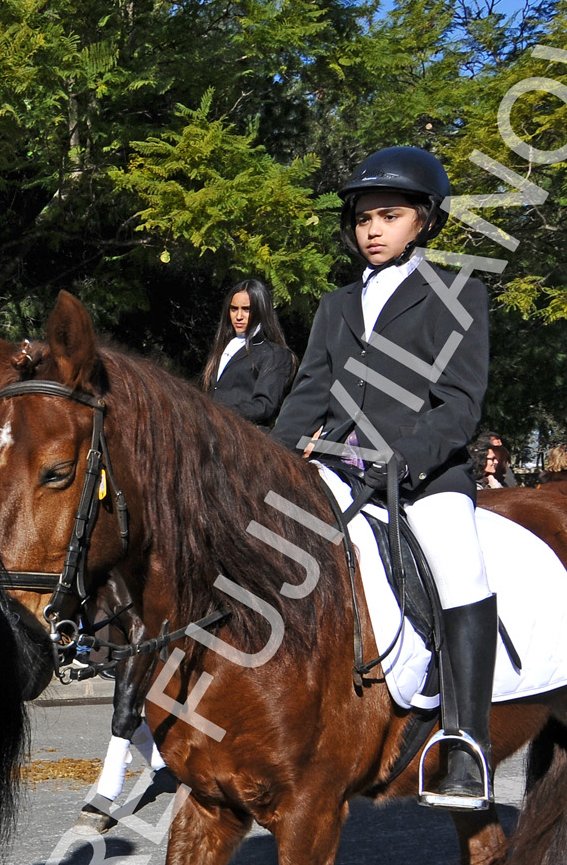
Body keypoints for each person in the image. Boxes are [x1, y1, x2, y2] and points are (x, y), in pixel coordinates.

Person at [272, 145, 495, 810]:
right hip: (340, 466)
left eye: (388, 216)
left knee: (460, 570)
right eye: (364, 218)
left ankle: (465, 744)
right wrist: (280, 458)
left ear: (423, 220)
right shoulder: (336, 306)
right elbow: (307, 396)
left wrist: (405, 453)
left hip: (426, 475)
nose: (371, 229)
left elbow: (459, 403)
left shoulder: (458, 295)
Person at [201, 278, 296, 425]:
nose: (239, 316)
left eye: (246, 309)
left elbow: (264, 405)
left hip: (245, 439)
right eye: (234, 309)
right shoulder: (222, 347)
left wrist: (217, 412)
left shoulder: (275, 354)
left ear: (260, 310)